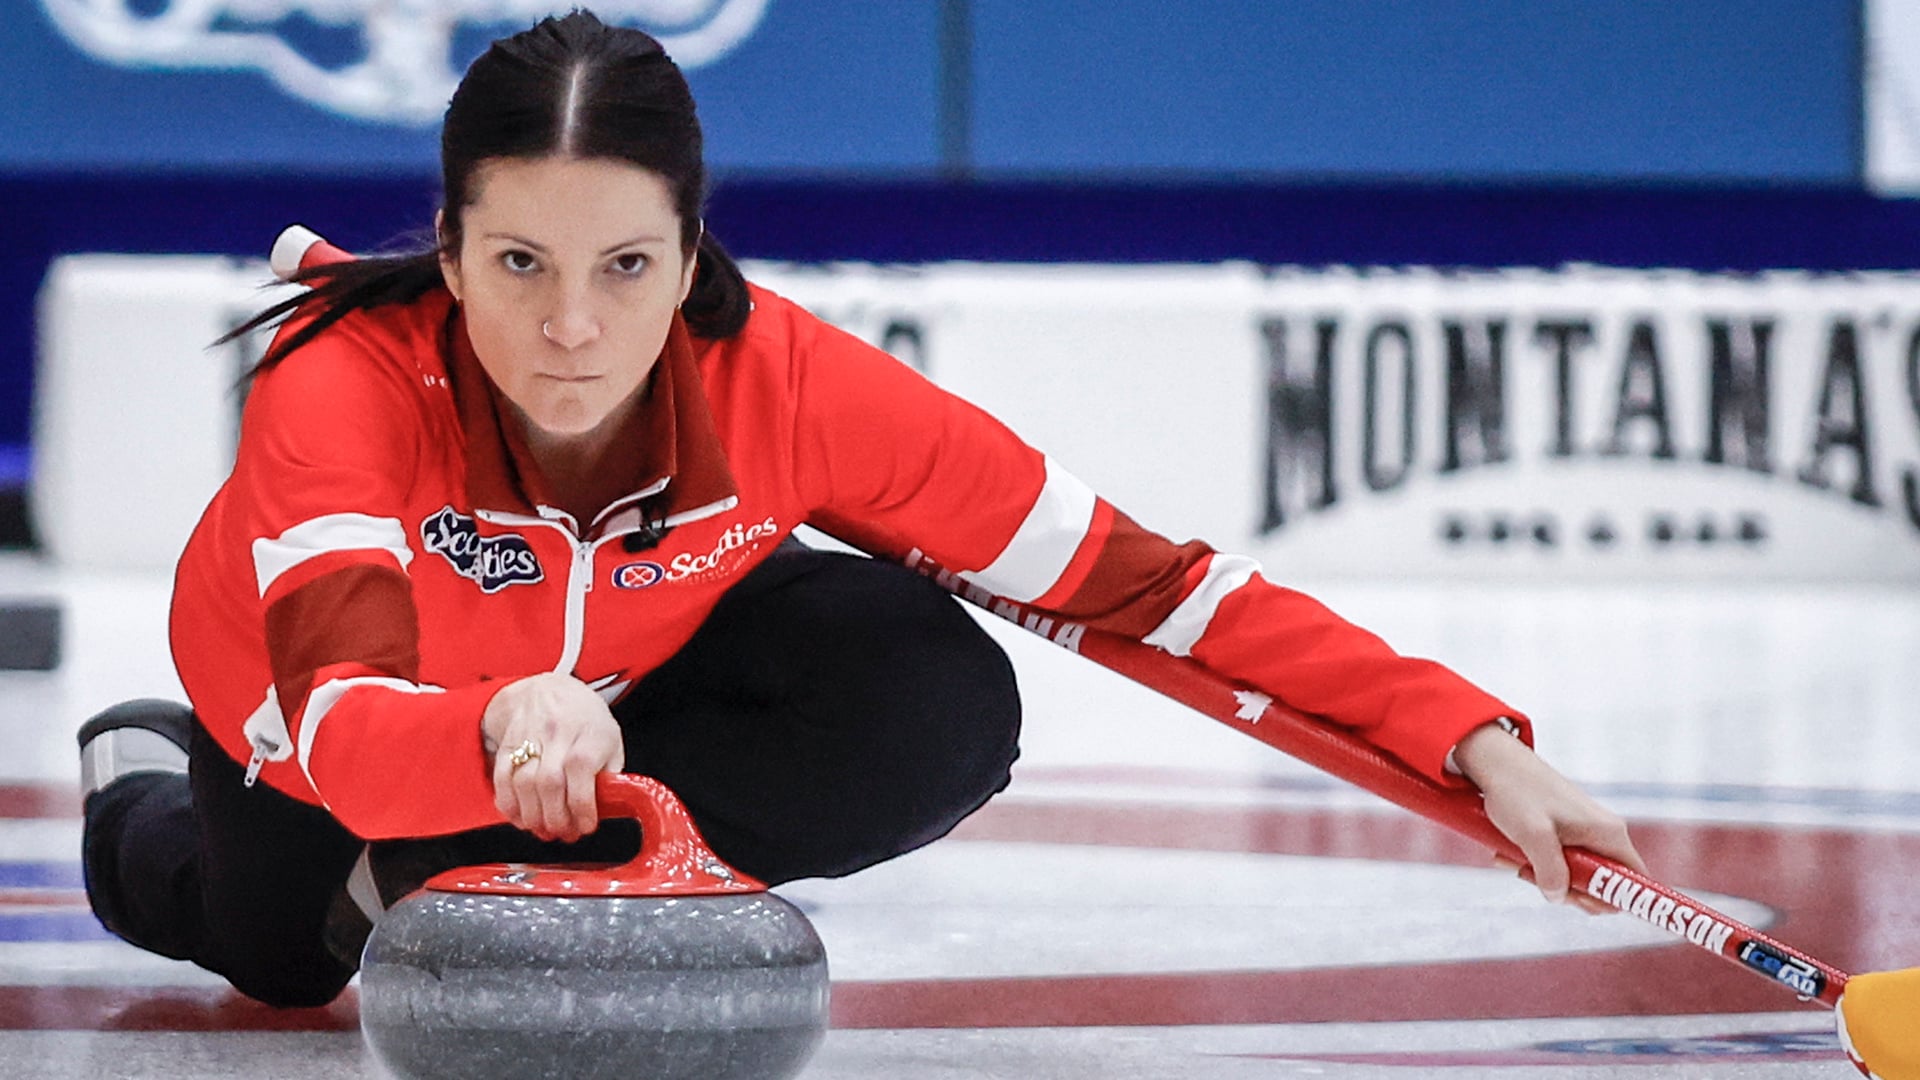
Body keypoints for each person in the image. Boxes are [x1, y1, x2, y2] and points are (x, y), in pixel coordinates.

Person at [77, 9, 1645, 1009]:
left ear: (689, 256)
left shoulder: (790, 388)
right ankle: (146, 785)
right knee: (279, 959)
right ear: (450, 244)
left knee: (929, 687)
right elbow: (352, 719)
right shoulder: (345, 382)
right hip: (312, 714)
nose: (571, 328)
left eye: (624, 266)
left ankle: (473, 872)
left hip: (602, 700)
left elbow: (1143, 593)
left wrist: (1469, 744)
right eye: (519, 267)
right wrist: (493, 731)